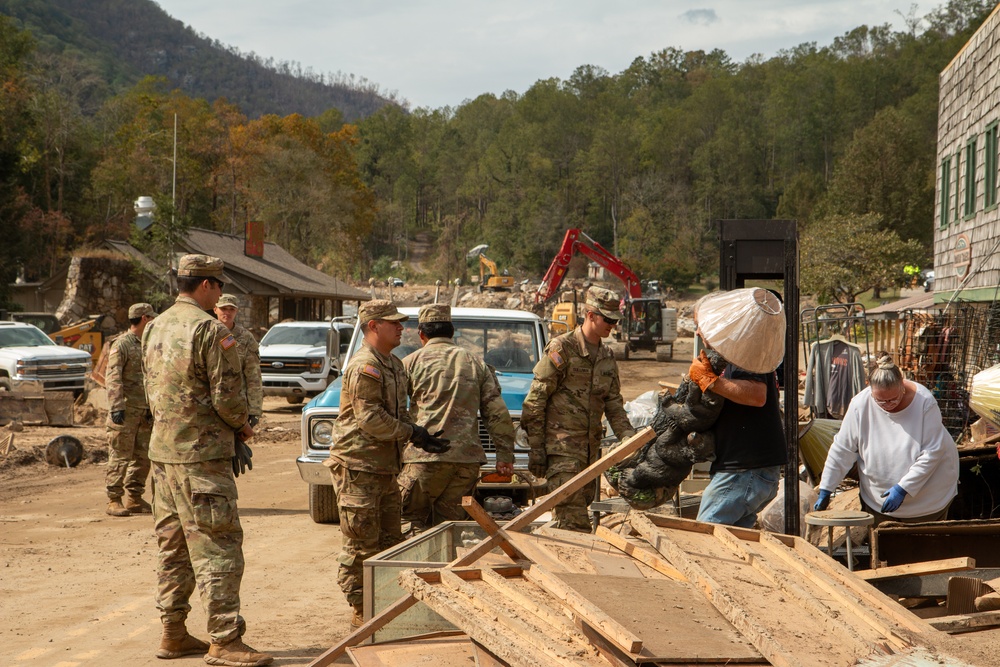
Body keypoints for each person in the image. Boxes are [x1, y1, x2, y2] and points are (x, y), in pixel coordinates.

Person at [142, 254, 272, 666]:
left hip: (163, 456)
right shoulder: (211, 330)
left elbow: (150, 391)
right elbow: (229, 396)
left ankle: (173, 632)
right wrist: (243, 428)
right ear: (206, 286)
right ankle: (225, 640)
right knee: (218, 546)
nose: (219, 292)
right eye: (217, 285)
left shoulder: (154, 327)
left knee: (174, 546)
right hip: (203, 457)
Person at [323, 300, 449, 628]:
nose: (401, 327)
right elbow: (370, 420)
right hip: (358, 467)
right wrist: (412, 432)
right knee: (360, 542)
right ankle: (362, 610)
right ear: (373, 326)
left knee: (390, 542)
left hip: (385, 468)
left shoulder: (393, 364)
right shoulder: (365, 366)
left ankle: (384, 606)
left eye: (401, 322)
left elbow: (399, 412)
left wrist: (417, 435)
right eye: (393, 322)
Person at [522, 286, 635, 532]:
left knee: (575, 516)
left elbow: (614, 404)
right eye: (608, 319)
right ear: (590, 314)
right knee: (574, 524)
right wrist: (536, 449)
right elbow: (535, 401)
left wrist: (628, 437)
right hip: (562, 451)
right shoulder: (562, 348)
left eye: (616, 320)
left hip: (590, 455)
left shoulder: (606, 356)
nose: (612, 325)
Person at [400, 303, 515, 535]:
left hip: (423, 460)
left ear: (421, 334)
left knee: (410, 524)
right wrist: (504, 456)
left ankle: (413, 569)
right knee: (451, 530)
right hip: (465, 463)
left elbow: (393, 409)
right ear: (452, 332)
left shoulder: (409, 363)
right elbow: (497, 413)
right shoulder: (475, 363)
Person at [814, 353, 959, 525]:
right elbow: (842, 449)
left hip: (928, 500)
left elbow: (932, 452)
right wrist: (826, 488)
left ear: (902, 386)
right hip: (877, 500)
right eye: (881, 401)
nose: (888, 405)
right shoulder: (860, 404)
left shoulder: (924, 402)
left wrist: (903, 488)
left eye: (893, 399)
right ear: (870, 389)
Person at [104, 302, 157, 517]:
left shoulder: (149, 344)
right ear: (144, 318)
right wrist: (117, 406)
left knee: (143, 456)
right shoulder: (122, 344)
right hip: (125, 411)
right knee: (120, 455)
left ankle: (134, 497)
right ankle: (114, 499)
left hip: (145, 410)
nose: (153, 321)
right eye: (151, 318)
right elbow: (113, 377)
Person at [215, 294, 263, 430]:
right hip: (208, 406)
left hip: (235, 407)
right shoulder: (206, 333)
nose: (227, 313)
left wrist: (254, 410)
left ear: (236, 311)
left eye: (231, 309)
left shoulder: (245, 337)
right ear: (215, 310)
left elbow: (253, 376)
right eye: (224, 308)